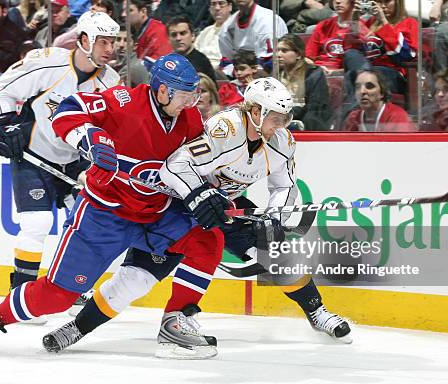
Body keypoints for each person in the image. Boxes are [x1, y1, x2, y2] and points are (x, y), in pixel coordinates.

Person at [42, 77, 351, 360]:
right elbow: (177, 166)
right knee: (135, 279)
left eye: (285, 118)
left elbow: (283, 185)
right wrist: (199, 196)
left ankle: (318, 312)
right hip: (178, 208)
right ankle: (77, 329)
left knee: (274, 251)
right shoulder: (225, 129)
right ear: (255, 111)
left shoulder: (283, 142)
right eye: (275, 117)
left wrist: (276, 214)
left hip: (225, 207)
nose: (281, 124)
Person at [0, 53, 227, 358]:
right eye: (185, 95)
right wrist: (90, 137)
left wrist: (213, 194)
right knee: (57, 297)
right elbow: (67, 110)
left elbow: (199, 167)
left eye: (194, 95)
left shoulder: (190, 119)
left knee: (209, 236)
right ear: (163, 90)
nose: (191, 103)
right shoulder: (122, 101)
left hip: (157, 214)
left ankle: (177, 320)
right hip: (104, 214)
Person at [0, 11, 121, 314]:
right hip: (34, 155)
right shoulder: (48, 62)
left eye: (112, 42)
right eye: (103, 41)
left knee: (86, 223)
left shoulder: (110, 82)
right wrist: (6, 123)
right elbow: (2, 89)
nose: (109, 48)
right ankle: (21, 290)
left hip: (74, 162)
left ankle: (72, 288)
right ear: (84, 40)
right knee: (37, 223)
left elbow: (111, 128)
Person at [277, 33, 333, 130]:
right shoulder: (276, 75)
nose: (279, 54)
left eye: (284, 50)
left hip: (307, 123)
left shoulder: (314, 74)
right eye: (278, 50)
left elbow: (316, 107)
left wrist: (291, 114)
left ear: (298, 54)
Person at [218, 0, 288, 72]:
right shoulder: (227, 27)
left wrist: (249, 72)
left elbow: (273, 61)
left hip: (271, 73)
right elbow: (226, 62)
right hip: (240, 74)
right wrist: (236, 72)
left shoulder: (268, 20)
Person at [343, 69, 414, 131]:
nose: (362, 91)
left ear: (382, 93)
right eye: (358, 87)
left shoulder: (397, 116)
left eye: (369, 86)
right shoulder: (353, 118)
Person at [167, 15, 217, 84]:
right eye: (174, 35)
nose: (178, 38)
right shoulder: (166, 62)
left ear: (193, 36)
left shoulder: (201, 62)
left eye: (183, 33)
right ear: (169, 40)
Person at [194, 0, 233, 70]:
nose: (217, 8)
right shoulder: (205, 32)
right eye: (213, 4)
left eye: (221, 3)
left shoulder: (237, 30)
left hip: (223, 74)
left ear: (230, 6)